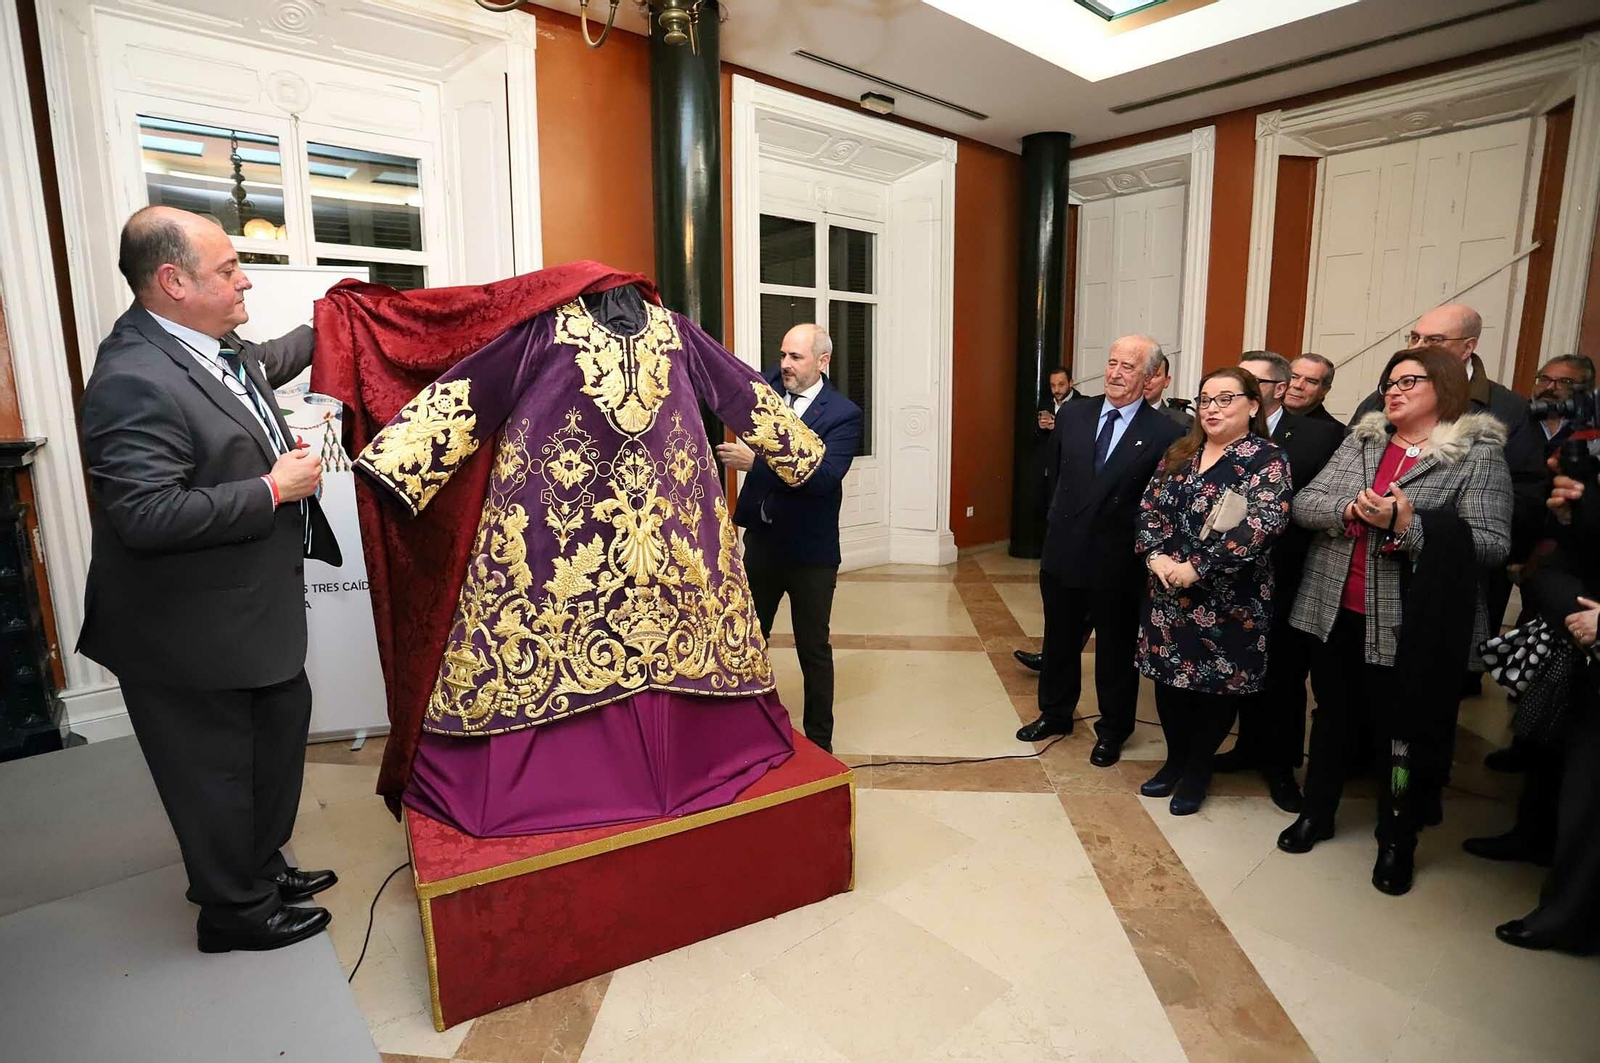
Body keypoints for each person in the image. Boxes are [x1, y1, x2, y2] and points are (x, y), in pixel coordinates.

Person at [77, 206, 342, 953]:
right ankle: (234, 913)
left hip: (245, 616)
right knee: (216, 775)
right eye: (227, 268)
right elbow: (146, 515)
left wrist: (345, 318)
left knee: (272, 741)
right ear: (172, 280)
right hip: (186, 631)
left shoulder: (207, 344)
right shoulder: (133, 377)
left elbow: (267, 361)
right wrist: (270, 489)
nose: (243, 277)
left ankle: (257, 866)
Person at [1278, 346, 1512, 896]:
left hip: (1414, 625)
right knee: (1333, 716)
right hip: (1336, 608)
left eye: (1411, 381)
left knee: (1402, 736)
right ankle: (1318, 811)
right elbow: (1305, 503)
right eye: (1390, 380)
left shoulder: (1477, 454)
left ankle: (1396, 839)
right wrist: (1347, 511)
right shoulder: (1365, 439)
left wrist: (1411, 525)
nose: (1394, 390)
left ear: (1447, 388)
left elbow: (1493, 544)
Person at [1016, 335, 1186, 766]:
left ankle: (1113, 730)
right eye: (1112, 362)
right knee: (1058, 642)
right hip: (1064, 552)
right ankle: (1054, 713)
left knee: (1114, 653)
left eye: (1128, 367)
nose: (1115, 373)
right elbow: (1054, 476)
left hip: (1119, 564)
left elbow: (1161, 504)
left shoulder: (1166, 432)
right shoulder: (1074, 414)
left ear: (1150, 377)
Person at [1135, 368, 1291, 815]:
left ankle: (1198, 770)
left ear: (1253, 406)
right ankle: (1175, 761)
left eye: (1226, 399)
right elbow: (1148, 509)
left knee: (1214, 690)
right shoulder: (1180, 452)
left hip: (1231, 601)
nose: (1212, 409)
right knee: (1169, 683)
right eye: (1205, 400)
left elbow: (1263, 524)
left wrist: (1197, 567)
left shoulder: (1266, 459)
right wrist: (1156, 558)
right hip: (1166, 594)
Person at [722, 324, 863, 754]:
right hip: (762, 543)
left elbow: (822, 479)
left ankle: (820, 740)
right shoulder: (769, 389)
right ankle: (741, 727)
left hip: (810, 554)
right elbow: (730, 381)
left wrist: (756, 464)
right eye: (782, 354)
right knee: (747, 637)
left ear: (822, 362)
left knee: (812, 648)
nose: (784, 364)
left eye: (796, 357)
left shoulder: (843, 414)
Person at [1213, 352, 1343, 812]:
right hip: (1225, 577)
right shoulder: (1219, 432)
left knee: (1284, 675)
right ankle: (1245, 747)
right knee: (1236, 665)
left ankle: (1282, 766)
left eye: (1251, 379)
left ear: (1277, 387)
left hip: (1287, 574)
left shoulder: (1320, 435)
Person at [1495, 451, 1600, 952]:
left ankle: (1570, 919)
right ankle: (1538, 849)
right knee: (1563, 771)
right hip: (1581, 648)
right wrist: (1572, 516)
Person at [1013, 367, 1085, 675]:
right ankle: (1052, 658)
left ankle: (1052, 658)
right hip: (1046, 478)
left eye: (1061, 384)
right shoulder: (1041, 405)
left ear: (1071, 383)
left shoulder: (1083, 409)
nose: (1056, 389)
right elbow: (1028, 440)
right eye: (1052, 384)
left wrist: (1060, 428)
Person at [1530, 354, 1594, 452]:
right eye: (1544, 379)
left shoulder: (1591, 429)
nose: (1549, 387)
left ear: (1585, 389)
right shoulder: (1514, 417)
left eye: (1565, 382)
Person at [1285, 353, 1344, 428]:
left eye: (1310, 381)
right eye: (1293, 377)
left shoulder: (1334, 433)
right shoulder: (1267, 417)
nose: (1298, 385)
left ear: (1324, 391)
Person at [1144, 352, 1193, 429]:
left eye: (1155, 375)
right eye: (1143, 374)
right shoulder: (1119, 415)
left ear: (1166, 381)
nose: (1147, 380)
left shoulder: (1181, 422)